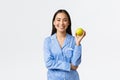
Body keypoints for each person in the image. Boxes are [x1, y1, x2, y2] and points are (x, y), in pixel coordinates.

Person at [43, 9, 86, 80]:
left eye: (65, 20)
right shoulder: (48, 41)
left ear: (68, 23)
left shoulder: (73, 40)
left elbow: (75, 64)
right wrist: (68, 66)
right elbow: (48, 63)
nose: (61, 23)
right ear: (54, 22)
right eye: (58, 20)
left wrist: (78, 43)